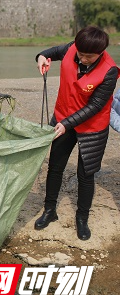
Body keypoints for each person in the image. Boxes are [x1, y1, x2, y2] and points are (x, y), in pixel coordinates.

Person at [34, 26, 118, 241]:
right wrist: (42, 56)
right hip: (64, 117)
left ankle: (82, 218)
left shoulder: (110, 71)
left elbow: (96, 105)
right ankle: (50, 210)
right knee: (55, 167)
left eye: (88, 56)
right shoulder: (73, 48)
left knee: (86, 175)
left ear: (101, 52)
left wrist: (67, 123)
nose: (83, 58)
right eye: (80, 54)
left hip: (92, 127)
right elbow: (52, 52)